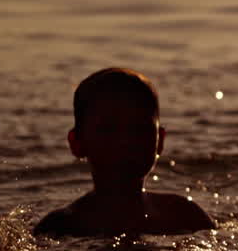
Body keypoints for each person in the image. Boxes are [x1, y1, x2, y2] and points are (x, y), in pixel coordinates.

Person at [34, 67, 215, 236]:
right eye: (108, 129)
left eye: (140, 129)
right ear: (77, 143)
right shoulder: (60, 227)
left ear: (160, 141)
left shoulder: (185, 216)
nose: (126, 141)